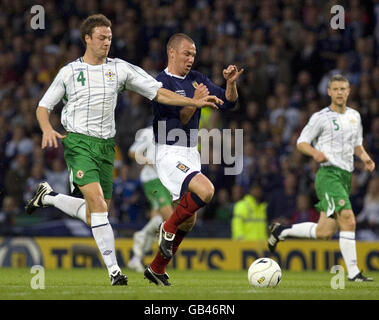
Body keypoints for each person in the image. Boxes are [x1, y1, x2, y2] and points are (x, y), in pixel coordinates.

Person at [25, 15, 223, 286]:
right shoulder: (69, 72)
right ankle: (115, 272)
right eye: (101, 38)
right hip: (78, 141)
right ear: (87, 39)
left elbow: (159, 92)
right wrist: (47, 128)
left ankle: (48, 197)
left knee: (98, 212)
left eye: (109, 38)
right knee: (97, 204)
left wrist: (192, 102)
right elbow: (43, 106)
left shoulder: (119, 69)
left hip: (107, 146)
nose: (107, 42)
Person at [144, 33, 243, 286]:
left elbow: (228, 104)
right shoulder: (160, 84)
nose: (191, 59)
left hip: (190, 153)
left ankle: (156, 268)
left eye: (194, 55)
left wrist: (230, 83)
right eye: (187, 54)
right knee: (206, 190)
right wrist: (195, 103)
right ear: (172, 52)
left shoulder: (197, 79)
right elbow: (176, 123)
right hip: (168, 150)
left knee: (189, 219)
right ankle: (167, 227)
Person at [268, 74, 375, 282]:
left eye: (343, 89)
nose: (339, 93)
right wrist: (315, 153)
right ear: (329, 92)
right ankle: (354, 273)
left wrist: (365, 158)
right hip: (328, 175)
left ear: (349, 91)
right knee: (349, 220)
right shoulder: (321, 117)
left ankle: (281, 231)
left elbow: (356, 144)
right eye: (335, 89)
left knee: (324, 232)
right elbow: (301, 142)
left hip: (345, 176)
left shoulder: (354, 116)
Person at [127, 125, 173, 272]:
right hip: (152, 180)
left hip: (166, 182)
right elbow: (132, 152)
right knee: (170, 219)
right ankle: (155, 259)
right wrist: (148, 161)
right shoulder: (148, 132)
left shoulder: (177, 132)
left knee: (158, 222)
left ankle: (136, 257)